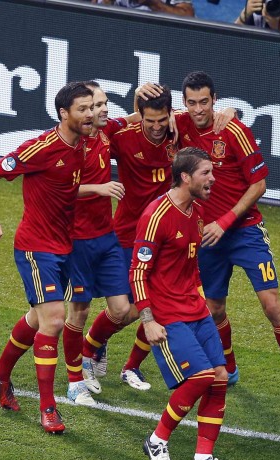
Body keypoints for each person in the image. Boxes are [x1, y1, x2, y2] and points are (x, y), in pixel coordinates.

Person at [171, 71, 280, 415]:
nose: (198, 109)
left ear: (214, 100)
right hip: (207, 235)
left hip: (244, 230)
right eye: (192, 102)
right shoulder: (178, 124)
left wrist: (226, 222)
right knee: (214, 309)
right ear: (184, 102)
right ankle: (229, 367)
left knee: (272, 306)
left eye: (204, 102)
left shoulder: (234, 130)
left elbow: (259, 184)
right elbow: (143, 117)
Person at [0, 82, 94, 434]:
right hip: (35, 247)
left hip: (64, 247)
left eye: (92, 108)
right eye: (83, 109)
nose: (90, 114)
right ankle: (48, 408)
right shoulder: (41, 147)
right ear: (63, 113)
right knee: (54, 320)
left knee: (37, 317)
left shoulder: (82, 143)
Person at [133, 147, 234, 460]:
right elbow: (137, 273)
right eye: (206, 173)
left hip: (195, 309)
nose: (213, 179)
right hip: (167, 314)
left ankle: (203, 457)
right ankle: (157, 441)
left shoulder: (197, 212)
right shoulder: (156, 215)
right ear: (186, 177)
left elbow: (189, 266)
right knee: (201, 376)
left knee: (219, 378)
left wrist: (201, 300)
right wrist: (148, 321)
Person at [77, 86, 179, 392]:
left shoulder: (179, 132)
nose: (157, 127)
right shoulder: (122, 136)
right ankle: (91, 346)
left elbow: (215, 117)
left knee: (161, 303)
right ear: (140, 116)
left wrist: (229, 111)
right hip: (126, 234)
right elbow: (91, 134)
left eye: (163, 120)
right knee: (124, 309)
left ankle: (131, 366)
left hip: (166, 235)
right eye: (150, 120)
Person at [62, 81, 133, 404]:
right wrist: (99, 189)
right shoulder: (72, 143)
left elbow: (138, 117)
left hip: (107, 238)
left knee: (121, 308)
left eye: (104, 104)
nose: (102, 110)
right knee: (78, 311)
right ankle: (74, 380)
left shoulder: (108, 131)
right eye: (95, 105)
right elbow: (60, 188)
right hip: (77, 241)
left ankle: (89, 351)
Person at [93, 0, 194, 17]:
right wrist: (107, 2)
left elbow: (188, 15)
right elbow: (91, 14)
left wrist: (153, 3)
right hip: (119, 33)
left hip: (159, 35)